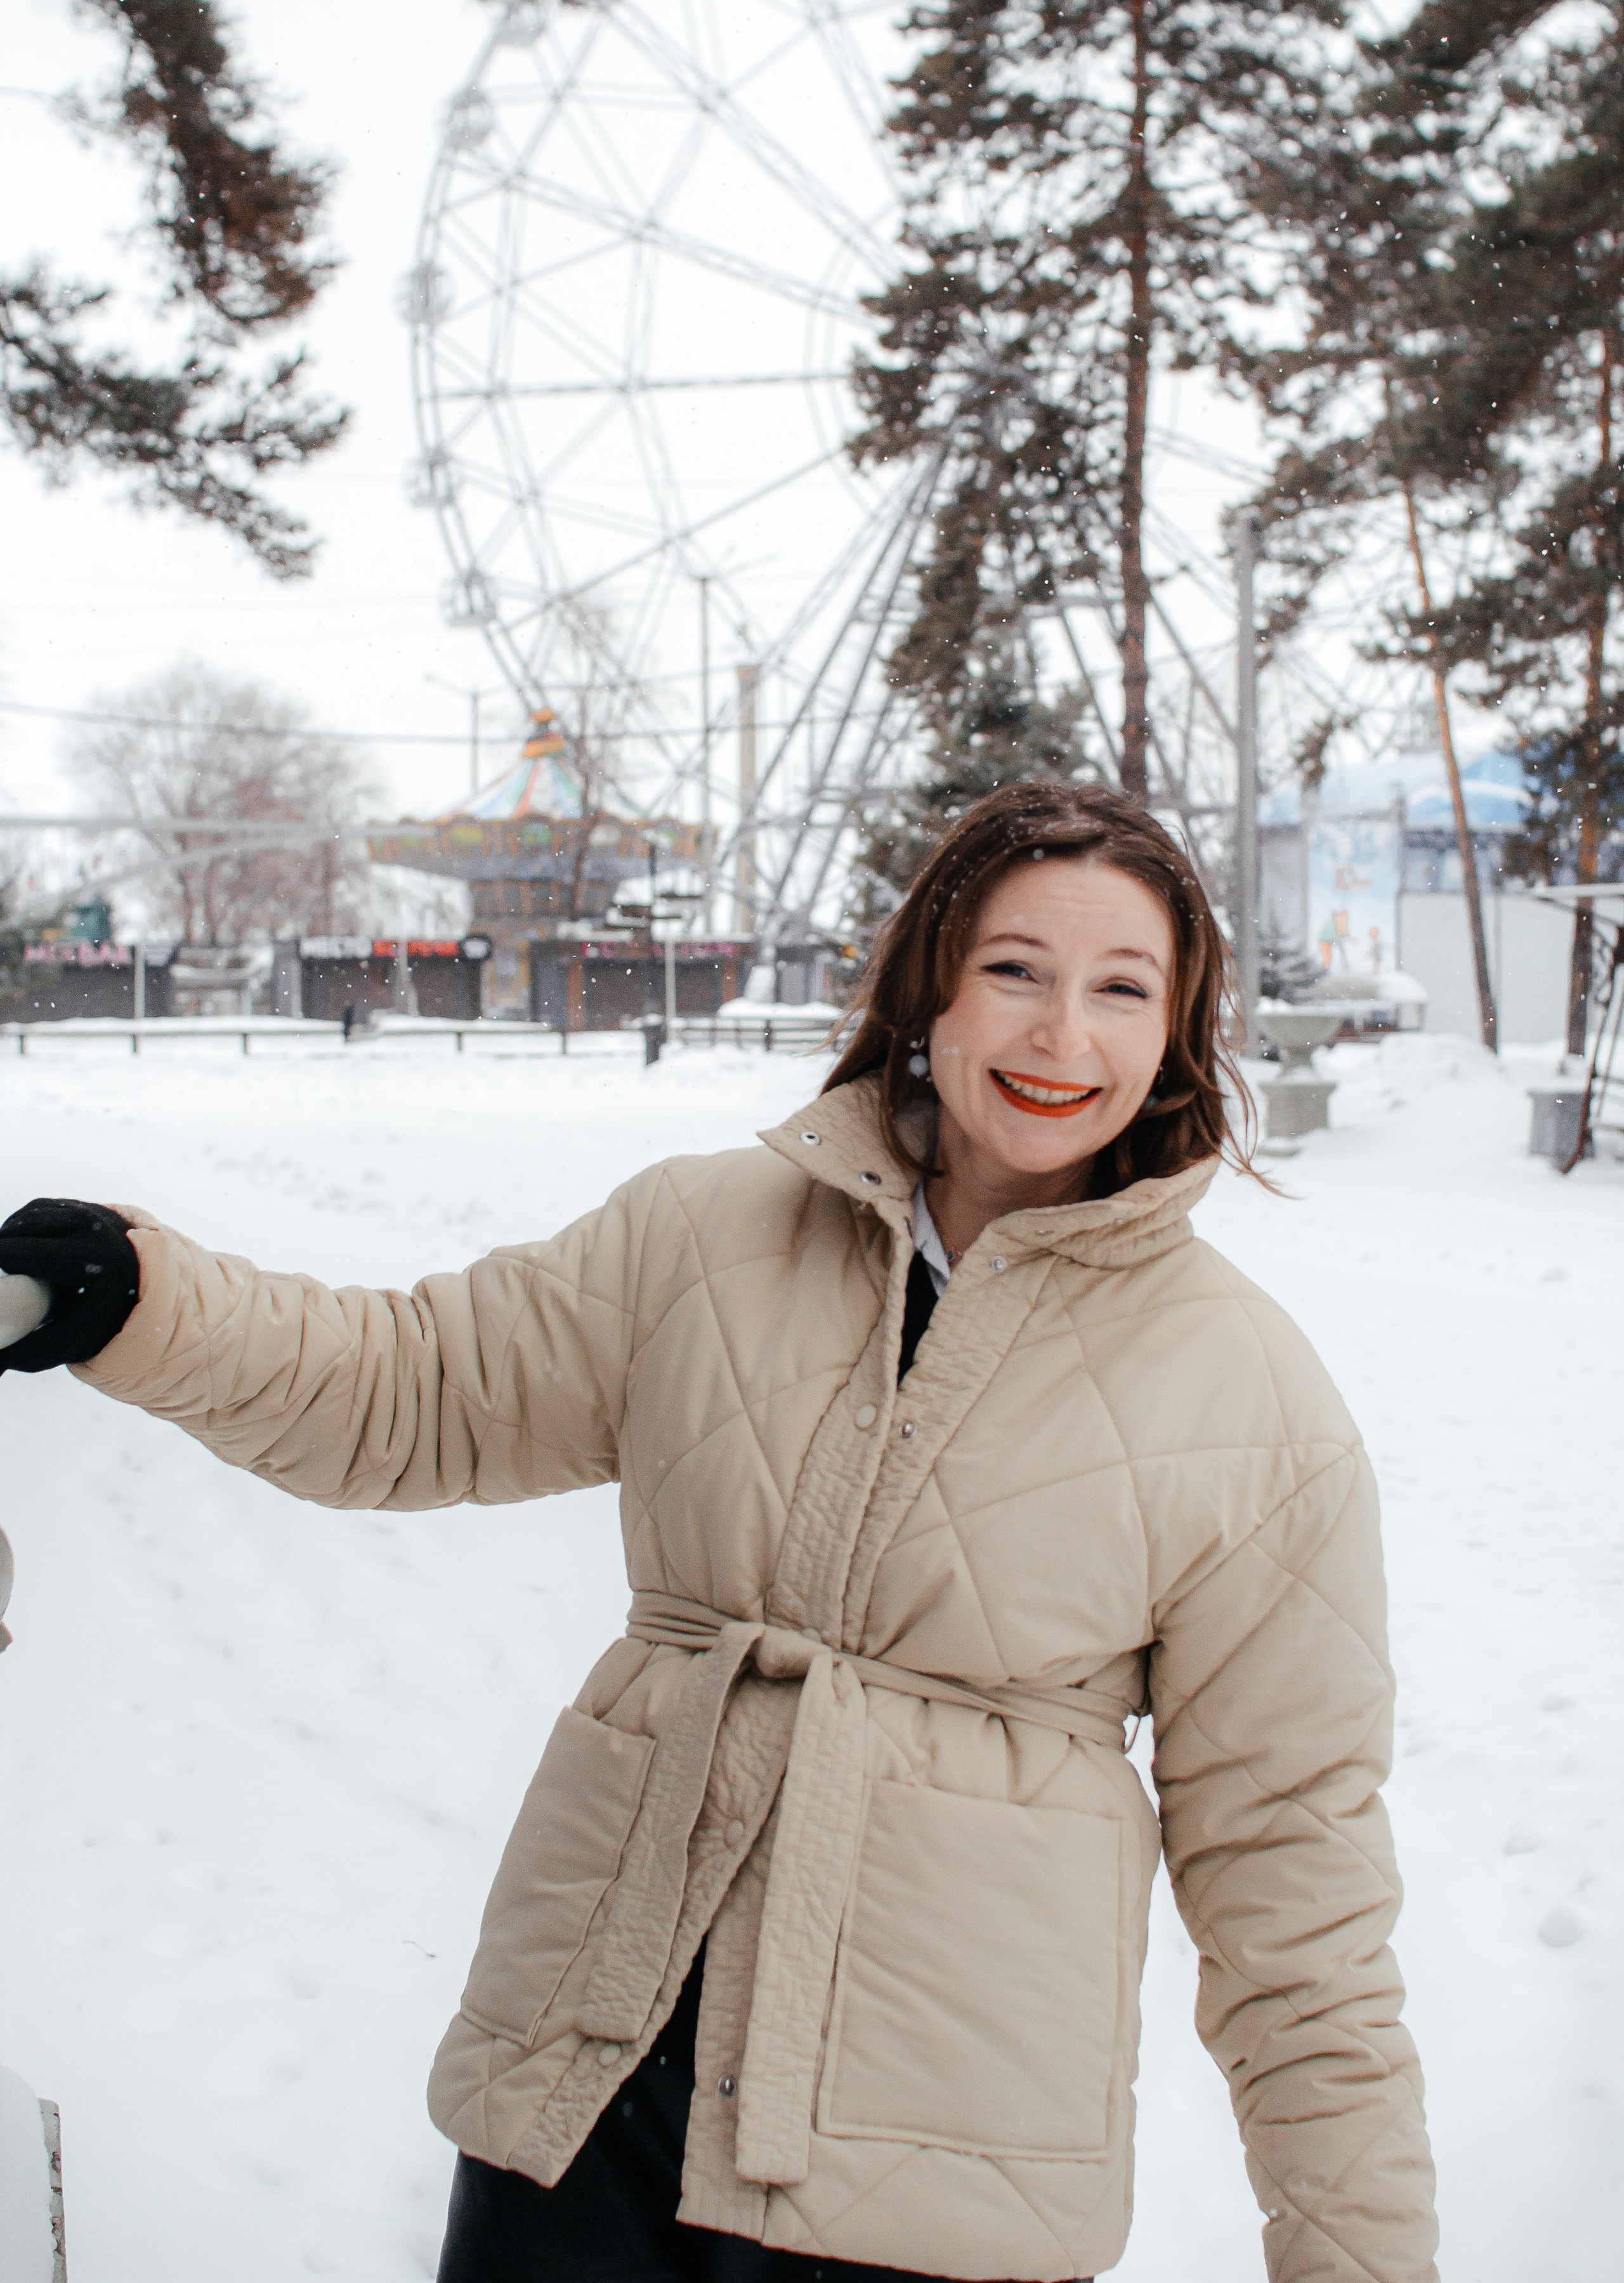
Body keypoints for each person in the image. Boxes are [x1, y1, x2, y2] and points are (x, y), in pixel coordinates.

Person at [0, 783, 1439, 2283]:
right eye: (1013, 969)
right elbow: (413, 1393)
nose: (1056, 1035)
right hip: (586, 2109)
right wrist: (143, 1301)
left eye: (1118, 990)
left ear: (1175, 1035)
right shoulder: (705, 1235)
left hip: (943, 2184)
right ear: (931, 978)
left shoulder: (1254, 1402)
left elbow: (1296, 1895)